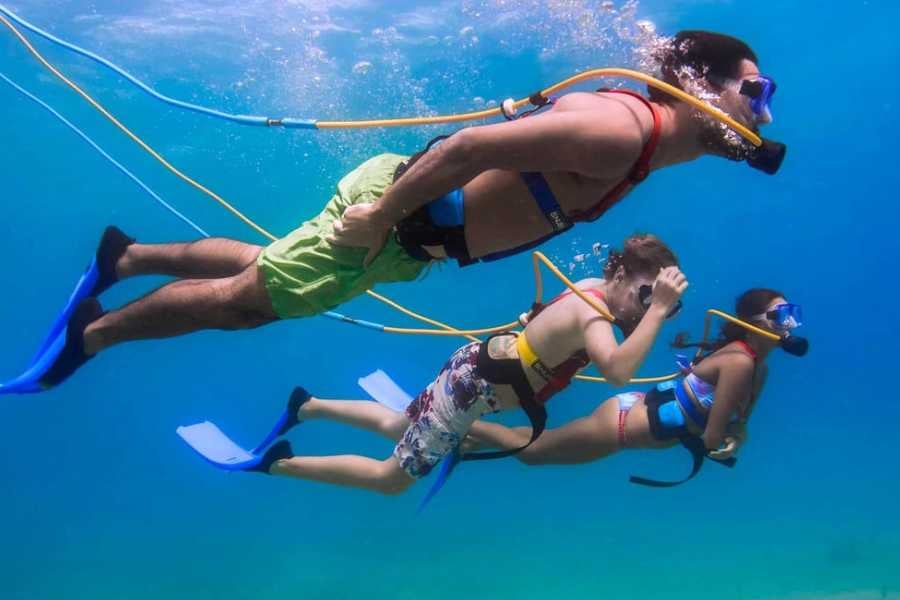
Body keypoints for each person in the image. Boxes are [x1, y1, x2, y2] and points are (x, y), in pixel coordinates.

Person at [35, 30, 775, 389]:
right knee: (246, 303)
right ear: (699, 86)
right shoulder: (621, 131)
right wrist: (381, 219)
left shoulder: (637, 142)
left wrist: (389, 219)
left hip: (409, 228)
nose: (763, 113)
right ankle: (92, 334)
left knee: (269, 268)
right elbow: (470, 150)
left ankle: (123, 257)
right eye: (755, 90)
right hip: (400, 223)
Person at [241, 235, 687, 495]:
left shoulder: (591, 285)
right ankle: (280, 464)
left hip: (472, 371)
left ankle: (307, 406)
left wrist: (652, 308)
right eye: (646, 297)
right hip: (472, 390)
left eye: (664, 307)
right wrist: (656, 311)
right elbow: (616, 371)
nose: (648, 310)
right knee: (390, 480)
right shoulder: (595, 313)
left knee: (403, 426)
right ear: (620, 275)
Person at [458, 288, 805, 486]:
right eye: (779, 315)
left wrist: (738, 436)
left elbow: (737, 424)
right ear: (751, 324)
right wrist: (724, 443)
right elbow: (713, 436)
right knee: (535, 454)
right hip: (621, 426)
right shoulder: (741, 363)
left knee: (542, 449)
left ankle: (472, 436)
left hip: (631, 421)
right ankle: (464, 425)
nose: (788, 323)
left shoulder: (759, 371)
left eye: (791, 314)